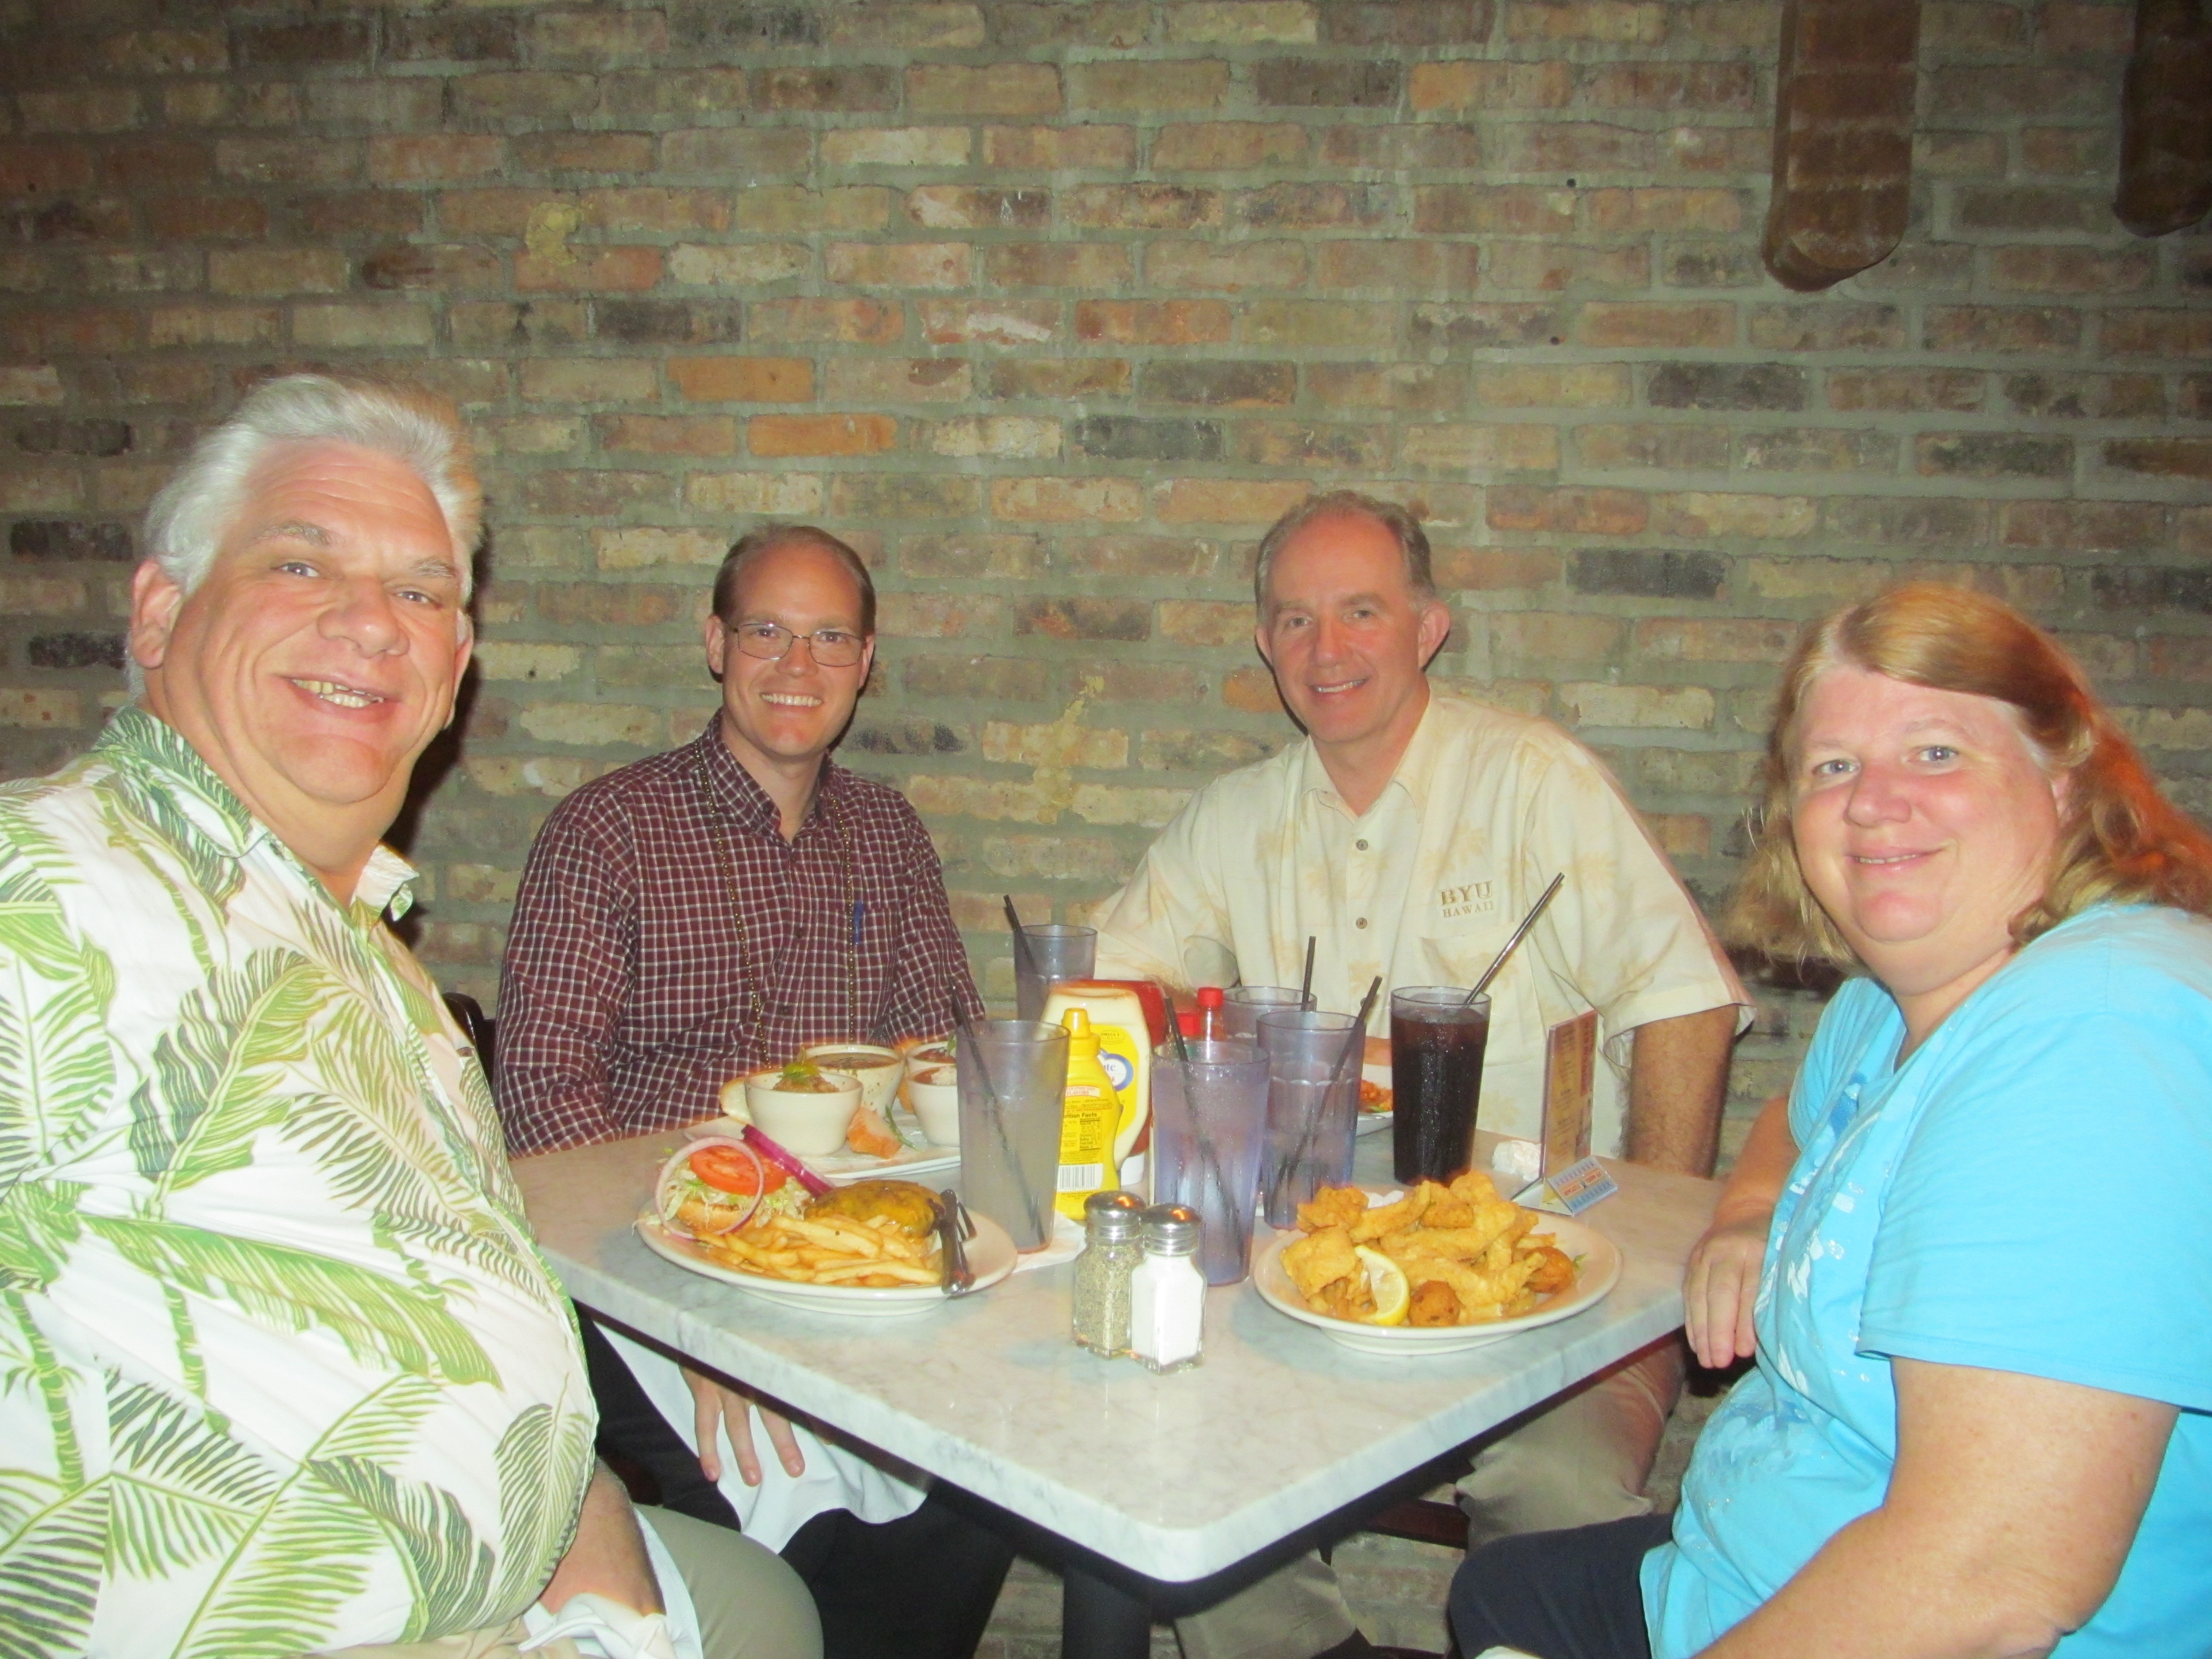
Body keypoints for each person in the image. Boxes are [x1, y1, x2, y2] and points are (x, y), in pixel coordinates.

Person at [0, 374, 816, 1659]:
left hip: (550, 1560)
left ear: (455, 671)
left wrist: (596, 1547)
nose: (375, 624)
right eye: (301, 564)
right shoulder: (45, 891)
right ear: (159, 611)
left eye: (423, 594)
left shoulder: (380, 963)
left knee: (791, 1597)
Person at [1453, 582, 2212, 1659]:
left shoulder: (2095, 1038)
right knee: (1503, 1590)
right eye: (1834, 768)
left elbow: (1993, 1581)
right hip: (1744, 1567)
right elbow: (1793, 1121)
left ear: (2064, 775)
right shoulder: (1892, 1003)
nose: (1873, 803)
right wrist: (1749, 1212)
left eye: (1936, 752)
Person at [1092, 491, 1748, 1659]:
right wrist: (1217, 1039)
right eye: (1296, 620)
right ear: (1264, 643)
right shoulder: (1235, 817)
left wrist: (1651, 1266)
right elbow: (1110, 983)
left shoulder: (1531, 780)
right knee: (1167, 1443)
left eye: (1362, 612)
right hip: (1304, 1261)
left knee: (1558, 1493)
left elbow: (1681, 998)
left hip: (1537, 1267)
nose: (1327, 649)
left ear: (1428, 627)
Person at [495, 525, 1010, 1659]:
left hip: (840, 1247)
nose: (796, 666)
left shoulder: (887, 834)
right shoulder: (609, 830)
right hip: (641, 1254)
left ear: (866, 661)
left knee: (989, 1479)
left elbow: (946, 1058)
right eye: (767, 631)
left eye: (830, 639)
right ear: (716, 642)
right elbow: (539, 1099)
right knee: (794, 1507)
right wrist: (690, 1309)